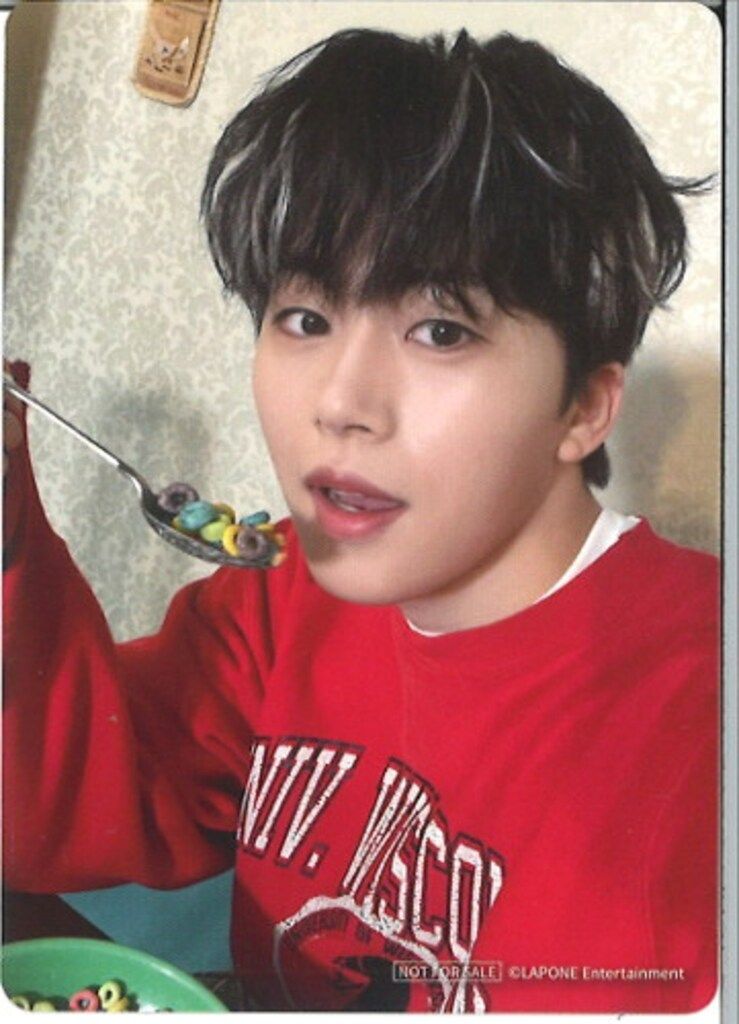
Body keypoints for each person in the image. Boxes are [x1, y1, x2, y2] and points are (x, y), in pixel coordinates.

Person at [3, 28, 718, 1013]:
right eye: (305, 319)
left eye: (440, 330)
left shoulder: (698, 702)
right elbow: (52, 808)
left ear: (584, 408)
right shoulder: (282, 594)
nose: (340, 403)